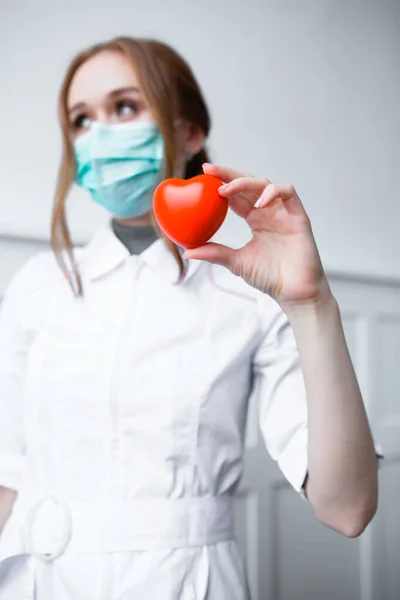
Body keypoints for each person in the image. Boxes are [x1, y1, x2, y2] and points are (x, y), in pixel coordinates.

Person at [0, 36, 379, 600]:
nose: (99, 133)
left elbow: (347, 509)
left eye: (125, 107)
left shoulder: (248, 296)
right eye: (81, 119)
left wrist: (310, 303)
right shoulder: (37, 286)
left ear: (189, 132)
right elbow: (8, 474)